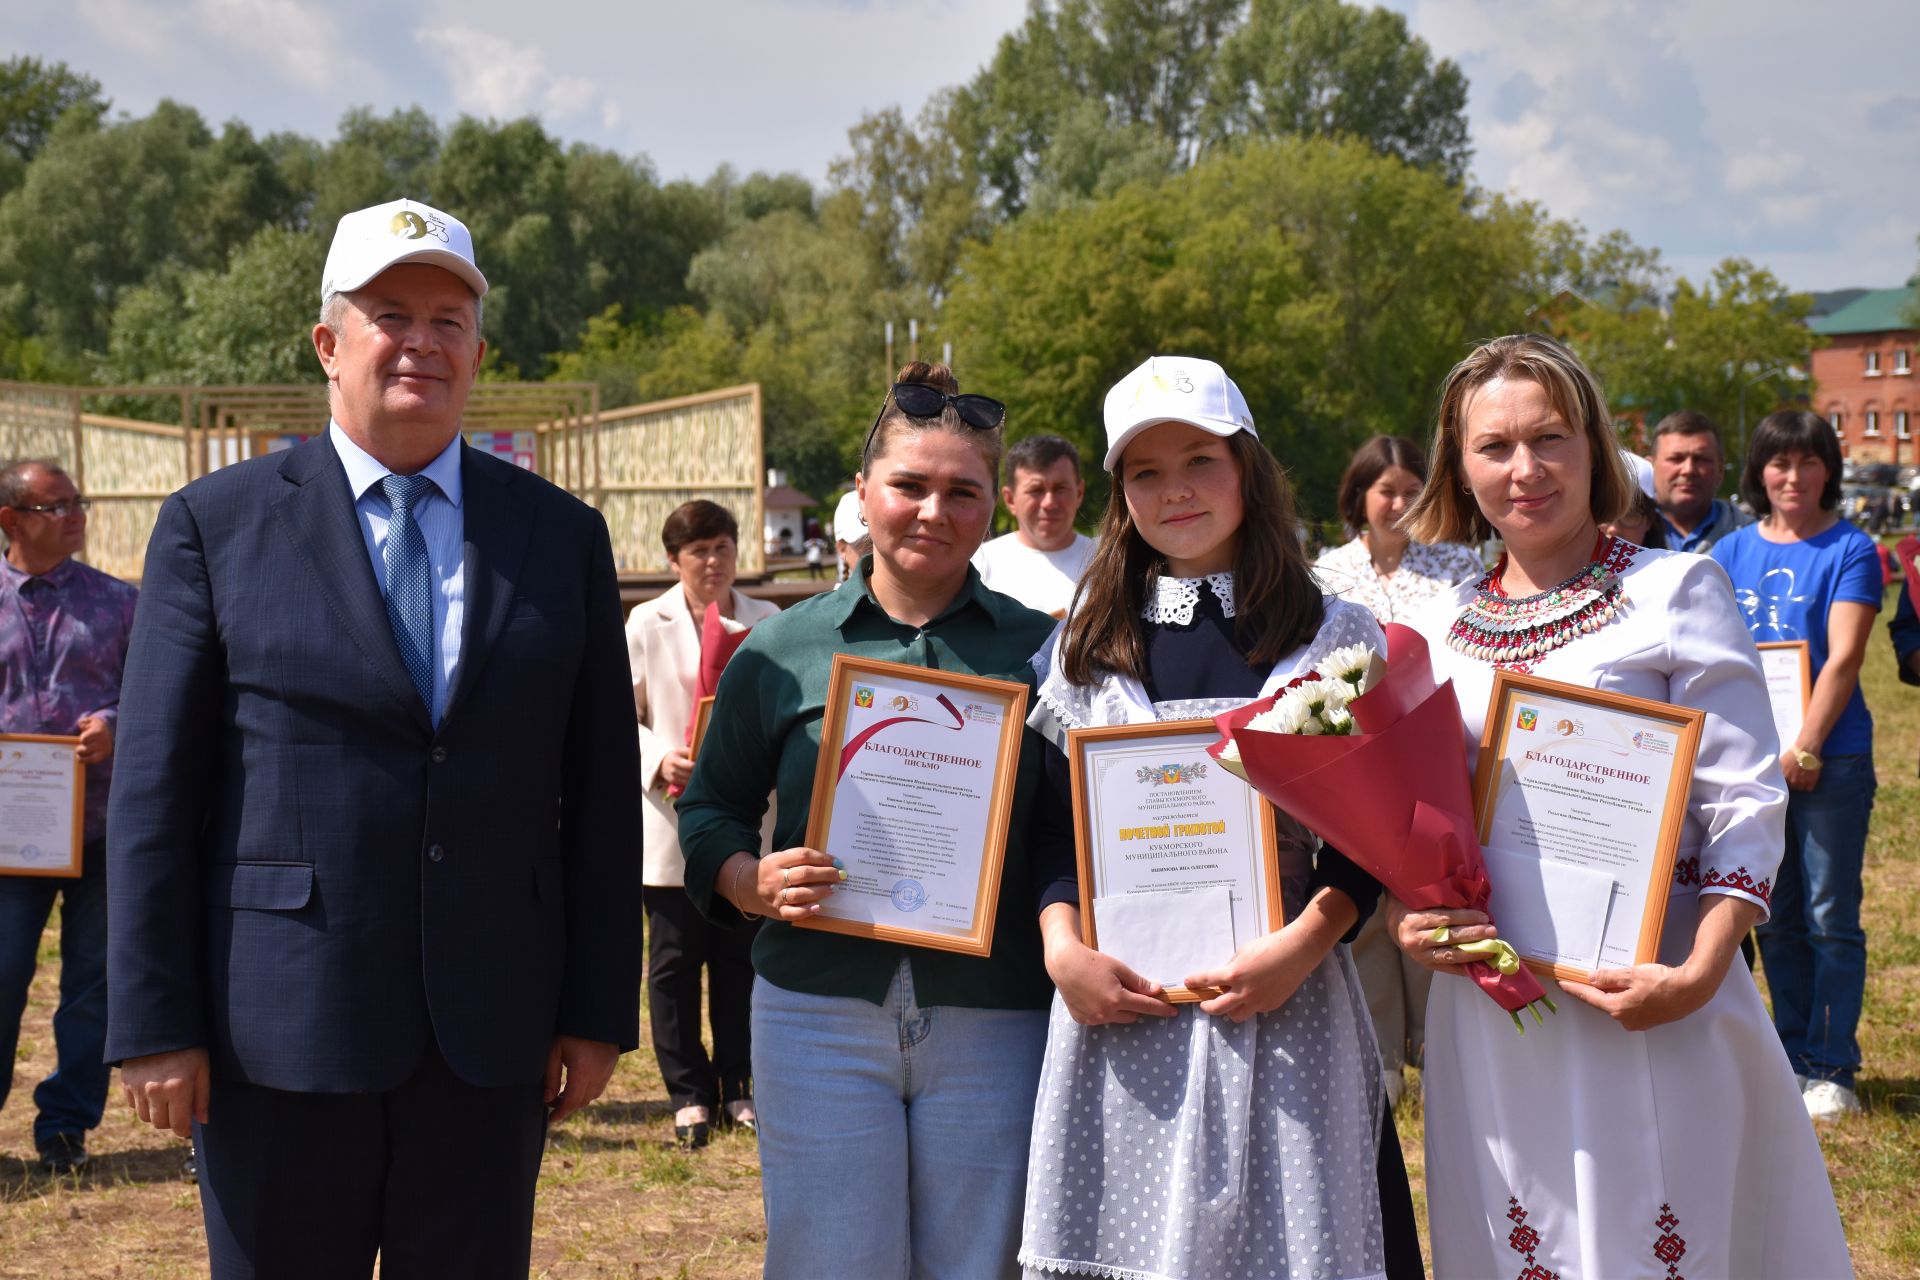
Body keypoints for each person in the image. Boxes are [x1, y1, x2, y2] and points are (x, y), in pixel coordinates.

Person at [104, 197, 643, 1279]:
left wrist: (595, 1008)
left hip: (491, 1032)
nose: (422, 342)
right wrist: (154, 1018)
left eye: (450, 319)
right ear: (327, 343)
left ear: (478, 352)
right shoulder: (214, 524)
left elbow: (596, 793)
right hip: (278, 1028)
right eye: (391, 312)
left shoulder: (559, 534)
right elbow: (157, 790)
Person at [1390, 334, 1850, 1278]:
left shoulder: (1676, 589)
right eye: (1494, 447)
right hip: (1493, 1008)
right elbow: (1418, 820)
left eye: (1550, 438)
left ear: (1595, 447)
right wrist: (1412, 919)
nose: (1525, 470)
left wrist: (1700, 971)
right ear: (1457, 465)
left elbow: (1744, 801)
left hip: (1652, 992)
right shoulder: (1433, 626)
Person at [1021, 356, 1420, 1280]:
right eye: (1146, 473)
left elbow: (1375, 832)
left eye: (1200, 459)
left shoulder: (1333, 631)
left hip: (1287, 998)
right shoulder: (1084, 642)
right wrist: (1061, 950)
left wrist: (1306, 946)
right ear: (1119, 494)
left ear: (1248, 468)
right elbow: (1050, 828)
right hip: (1125, 1009)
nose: (1177, 491)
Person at [677, 363, 1058, 1278]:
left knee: (980, 1264)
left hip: (995, 1011)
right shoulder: (781, 648)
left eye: (962, 491)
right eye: (909, 486)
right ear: (863, 495)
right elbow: (711, 809)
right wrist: (748, 880)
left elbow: (1072, 830)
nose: (934, 510)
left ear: (992, 509)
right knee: (831, 1262)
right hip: (818, 1009)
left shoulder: (1045, 648)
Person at [1711, 409, 1882, 1121]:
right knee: (1771, 915)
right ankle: (1788, 1055)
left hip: (1827, 760)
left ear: (1827, 471)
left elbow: (1843, 657)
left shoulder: (1853, 549)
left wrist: (1806, 745)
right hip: (1751, 764)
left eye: (1808, 462)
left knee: (1828, 913)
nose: (1792, 476)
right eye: (1779, 463)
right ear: (1759, 473)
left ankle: (1832, 1064)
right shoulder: (1728, 554)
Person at [1310, 435, 1480, 1104]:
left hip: (1433, 752)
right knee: (1369, 908)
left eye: (1413, 490)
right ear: (1360, 498)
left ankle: (1439, 1048)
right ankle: (1379, 1056)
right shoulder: (1327, 573)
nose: (1401, 503)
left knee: (1435, 897)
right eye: (1387, 491)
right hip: (1352, 760)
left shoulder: (1458, 566)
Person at [627, 499, 779, 1147]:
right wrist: (661, 756)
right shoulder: (644, 622)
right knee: (674, 960)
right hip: (670, 813)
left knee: (741, 958)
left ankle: (739, 1083)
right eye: (698, 552)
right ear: (674, 559)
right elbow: (615, 715)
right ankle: (688, 1092)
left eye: (723, 548)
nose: (713, 562)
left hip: (746, 812)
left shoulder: (768, 619)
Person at [0, 459, 137, 1174]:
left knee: (93, 986)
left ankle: (65, 1130)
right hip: (7, 842)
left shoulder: (119, 603)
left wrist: (116, 720)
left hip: (103, 827)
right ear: (10, 520)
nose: (75, 515)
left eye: (78, 502)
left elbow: (153, 691)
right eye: (56, 507)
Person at [972, 433, 1094, 616]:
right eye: (1036, 490)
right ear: (1010, 499)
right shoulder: (979, 564)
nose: (1049, 503)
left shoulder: (1106, 561)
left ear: (1079, 493)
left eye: (1060, 488)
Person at [1651, 409, 1752, 552]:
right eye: (1676, 459)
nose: (1688, 470)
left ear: (1720, 470)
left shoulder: (1752, 540)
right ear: (1650, 466)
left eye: (1701, 459)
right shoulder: (1619, 535)